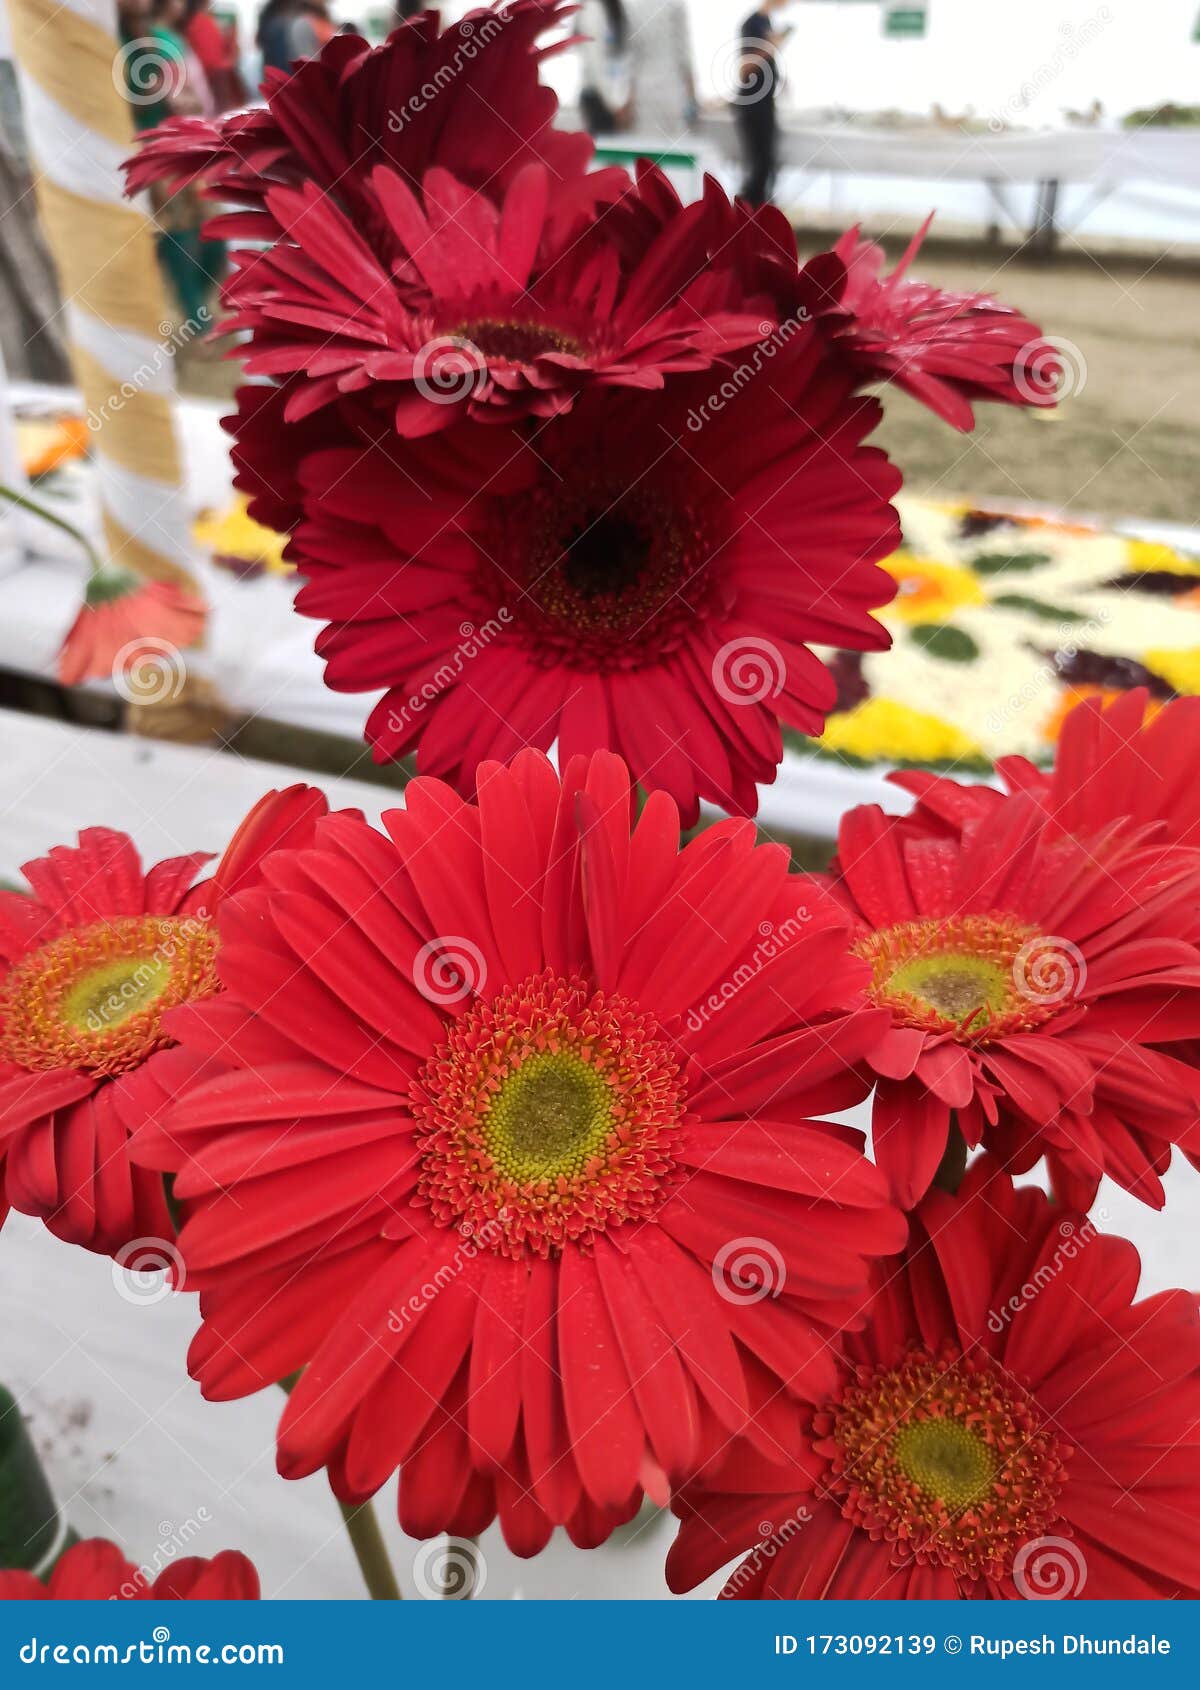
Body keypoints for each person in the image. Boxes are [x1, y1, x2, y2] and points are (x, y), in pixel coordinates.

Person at [734, 0, 791, 207]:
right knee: (760, 164)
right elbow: (745, 69)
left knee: (767, 163)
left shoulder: (767, 22)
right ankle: (748, 209)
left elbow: (766, 64)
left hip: (766, 102)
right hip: (753, 103)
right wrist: (772, 45)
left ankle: (761, 208)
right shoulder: (752, 23)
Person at [184, 0, 248, 113]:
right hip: (212, 88)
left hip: (217, 88)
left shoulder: (205, 20)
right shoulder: (199, 22)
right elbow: (212, 63)